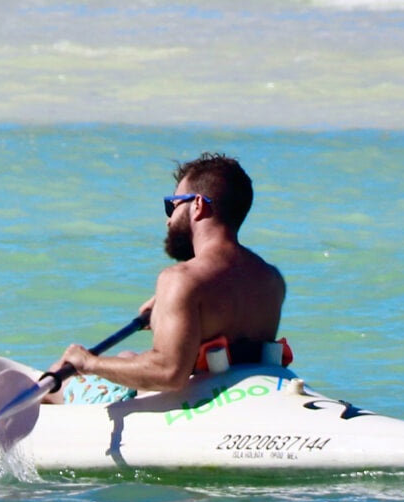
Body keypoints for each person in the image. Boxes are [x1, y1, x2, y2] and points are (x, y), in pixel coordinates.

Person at [52, 152, 286, 397]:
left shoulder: (181, 278)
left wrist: (88, 363)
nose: (169, 220)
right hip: (240, 395)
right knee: (126, 356)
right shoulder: (271, 279)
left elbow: (169, 373)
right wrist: (167, 310)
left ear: (197, 205)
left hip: (192, 404)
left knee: (60, 375)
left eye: (172, 206)